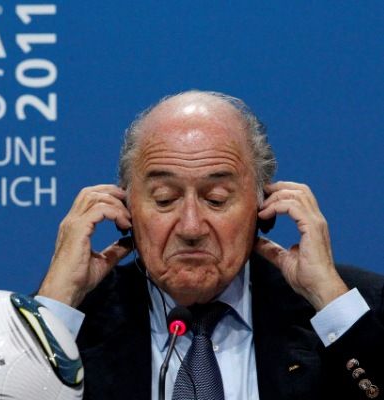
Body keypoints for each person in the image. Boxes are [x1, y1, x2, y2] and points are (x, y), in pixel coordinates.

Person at [36, 90, 384, 400]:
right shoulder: (75, 324)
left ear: (263, 206)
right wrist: (57, 301)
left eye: (216, 199)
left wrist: (325, 295)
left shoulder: (354, 311)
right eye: (164, 199)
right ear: (126, 210)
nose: (191, 227)